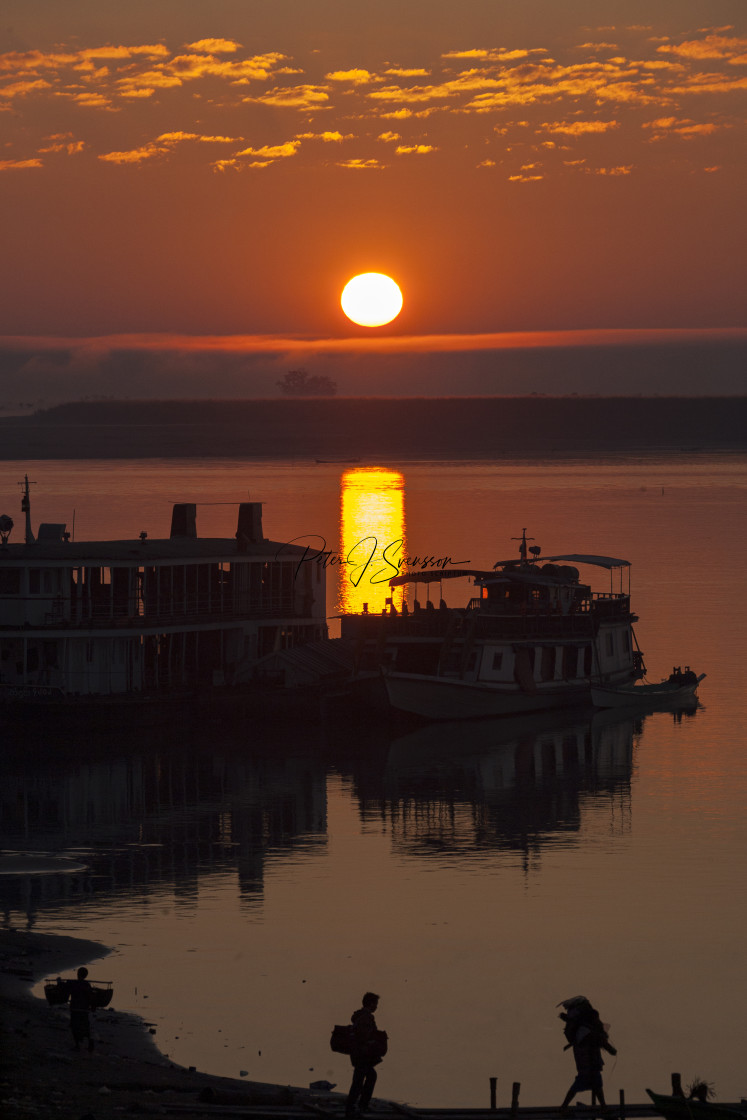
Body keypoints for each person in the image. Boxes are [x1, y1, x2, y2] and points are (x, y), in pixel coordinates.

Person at [558, 996, 616, 1115]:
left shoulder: (583, 1030)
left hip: (588, 1062)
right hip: (588, 1063)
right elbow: (600, 1041)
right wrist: (610, 1049)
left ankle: (603, 1106)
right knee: (583, 1083)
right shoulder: (586, 1031)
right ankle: (564, 1106)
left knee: (596, 1085)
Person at [345, 991, 384, 1118]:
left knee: (365, 1077)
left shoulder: (360, 1015)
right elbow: (363, 1036)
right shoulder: (366, 1017)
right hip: (362, 1055)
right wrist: (372, 1041)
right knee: (361, 1080)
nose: (376, 1007)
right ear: (370, 1004)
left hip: (359, 1054)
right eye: (375, 1004)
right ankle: (354, 1107)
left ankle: (359, 1105)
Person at [67, 966, 96, 1052]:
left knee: (74, 1027)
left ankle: (77, 1046)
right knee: (85, 1026)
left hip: (75, 1008)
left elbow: (67, 991)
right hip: (84, 1009)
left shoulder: (73, 984)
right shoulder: (87, 985)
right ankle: (90, 1041)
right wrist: (92, 1006)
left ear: (78, 974)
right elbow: (91, 997)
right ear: (86, 975)